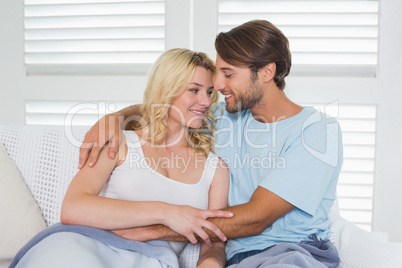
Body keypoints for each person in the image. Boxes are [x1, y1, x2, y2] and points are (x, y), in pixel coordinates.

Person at [79, 20, 343, 267]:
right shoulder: (226, 116)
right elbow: (169, 107)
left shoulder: (317, 131)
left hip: (292, 252)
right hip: (238, 257)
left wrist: (152, 230)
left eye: (228, 74)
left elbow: (257, 218)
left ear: (267, 72)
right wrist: (115, 118)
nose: (216, 85)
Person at [11, 48, 233, 268]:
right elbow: (73, 208)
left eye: (210, 92)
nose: (205, 101)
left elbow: (213, 242)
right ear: (166, 90)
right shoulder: (120, 142)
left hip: (153, 260)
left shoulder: (214, 169)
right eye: (194, 90)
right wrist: (167, 212)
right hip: (82, 245)